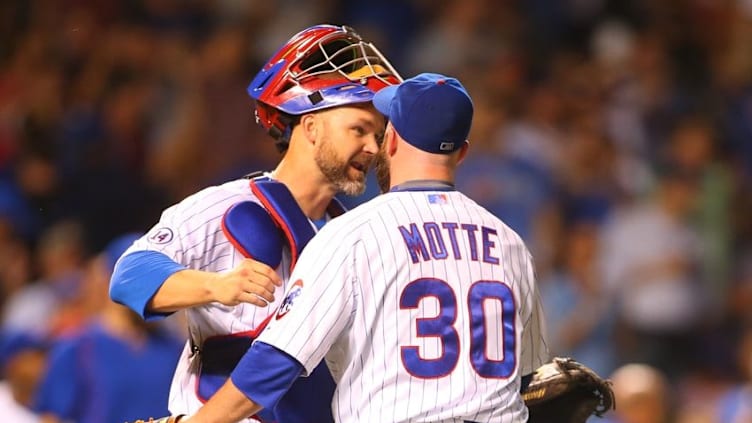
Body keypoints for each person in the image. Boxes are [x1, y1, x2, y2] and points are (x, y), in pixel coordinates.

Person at [184, 73, 550, 423]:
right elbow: (527, 377)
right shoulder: (510, 243)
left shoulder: (353, 234)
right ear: (463, 153)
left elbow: (274, 363)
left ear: (391, 141)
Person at [109, 24, 400, 423]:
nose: (372, 146)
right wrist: (217, 286)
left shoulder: (354, 234)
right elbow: (130, 275)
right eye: (359, 129)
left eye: (378, 134)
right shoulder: (231, 205)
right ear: (310, 127)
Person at [32, 233, 183, 423]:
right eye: (137, 277)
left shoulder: (175, 348)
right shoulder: (78, 348)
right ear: (110, 280)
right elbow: (51, 418)